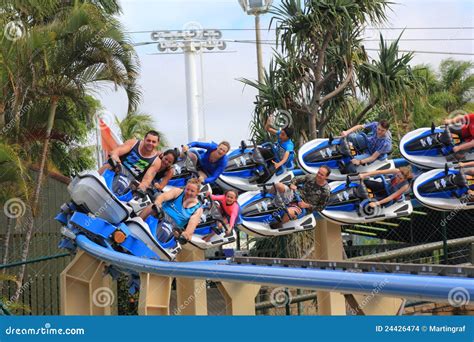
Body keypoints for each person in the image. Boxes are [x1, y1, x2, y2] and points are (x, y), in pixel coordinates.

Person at [140, 178, 203, 243]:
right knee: (152, 206)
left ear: (198, 192)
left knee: (171, 231)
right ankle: (138, 221)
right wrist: (158, 203)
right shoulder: (178, 192)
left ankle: (152, 242)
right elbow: (163, 197)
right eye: (187, 189)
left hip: (174, 226)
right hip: (161, 214)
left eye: (192, 191)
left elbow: (191, 226)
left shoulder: (198, 209)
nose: (189, 192)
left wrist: (186, 234)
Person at [98, 130, 162, 191]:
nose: (150, 143)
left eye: (153, 142)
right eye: (148, 140)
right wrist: (115, 157)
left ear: (157, 143)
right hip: (117, 169)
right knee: (109, 165)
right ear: (144, 139)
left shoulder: (156, 161)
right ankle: (96, 178)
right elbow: (116, 152)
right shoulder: (133, 143)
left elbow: (146, 181)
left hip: (129, 182)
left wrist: (142, 187)